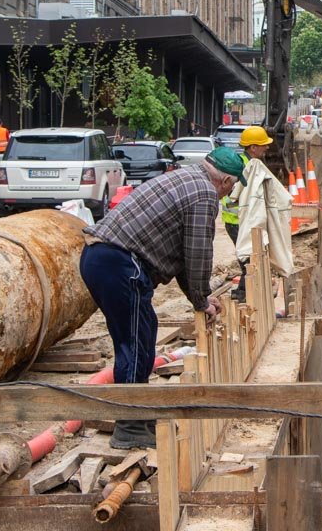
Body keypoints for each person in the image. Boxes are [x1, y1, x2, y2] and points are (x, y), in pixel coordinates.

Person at [78, 147, 246, 449]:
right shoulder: (204, 194)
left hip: (105, 259)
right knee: (134, 343)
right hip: (119, 263)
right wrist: (201, 300)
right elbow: (197, 254)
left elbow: (182, 258)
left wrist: (199, 298)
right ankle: (130, 426)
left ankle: (139, 416)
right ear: (225, 181)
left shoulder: (186, 178)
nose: (228, 194)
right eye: (231, 187)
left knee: (143, 333)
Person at [231, 126, 295, 300]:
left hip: (244, 219)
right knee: (249, 259)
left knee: (252, 258)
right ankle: (244, 295)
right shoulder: (244, 166)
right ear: (253, 147)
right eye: (263, 144)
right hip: (238, 220)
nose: (267, 147)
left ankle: (246, 293)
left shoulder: (252, 164)